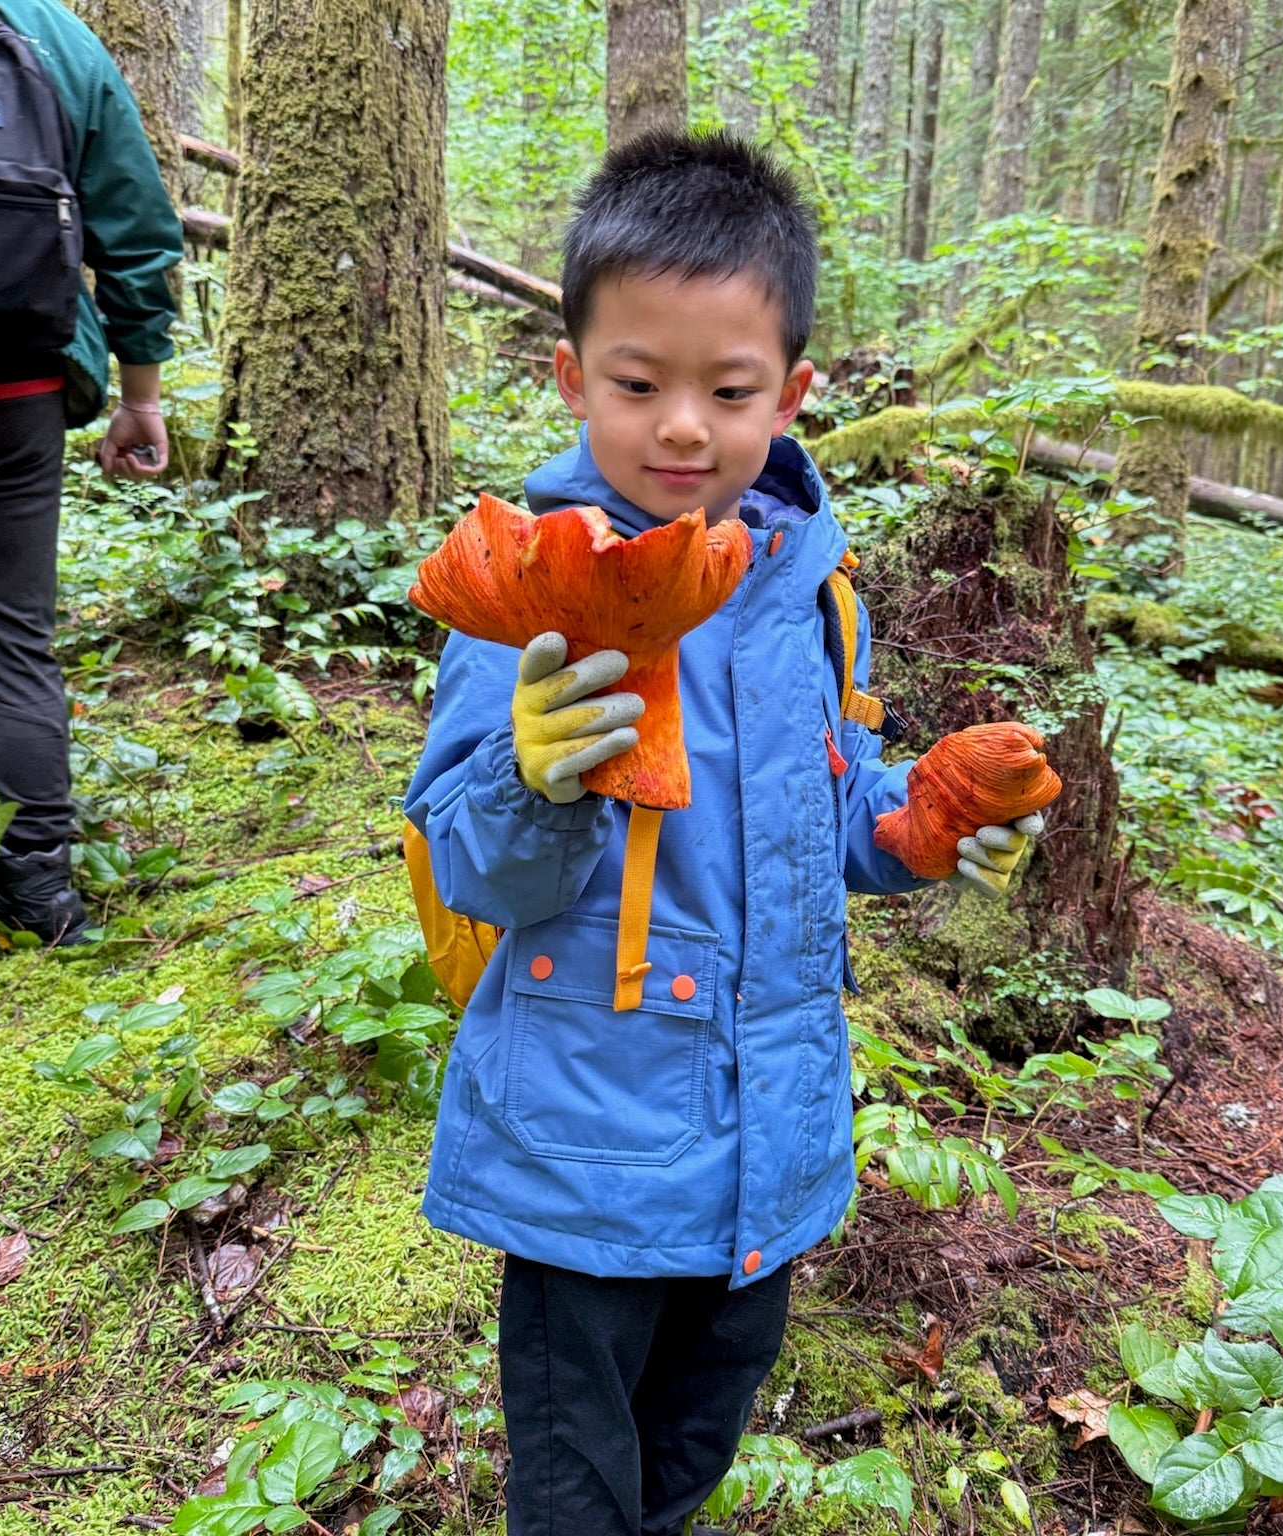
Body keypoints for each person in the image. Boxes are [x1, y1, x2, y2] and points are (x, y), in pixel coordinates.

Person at [403, 130, 1046, 1536]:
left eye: (729, 389)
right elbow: (476, 872)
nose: (682, 426)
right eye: (639, 384)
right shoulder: (532, 590)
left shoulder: (815, 591)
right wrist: (530, 775)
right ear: (573, 376)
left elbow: (834, 821)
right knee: (577, 1485)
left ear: (794, 393)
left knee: (698, 1442)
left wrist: (925, 820)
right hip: (586, 1143)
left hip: (774, 1128)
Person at [0, 0, 182, 944]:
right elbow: (138, 231)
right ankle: (39, 892)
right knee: (13, 647)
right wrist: (140, 395)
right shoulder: (56, 38)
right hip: (10, 390)